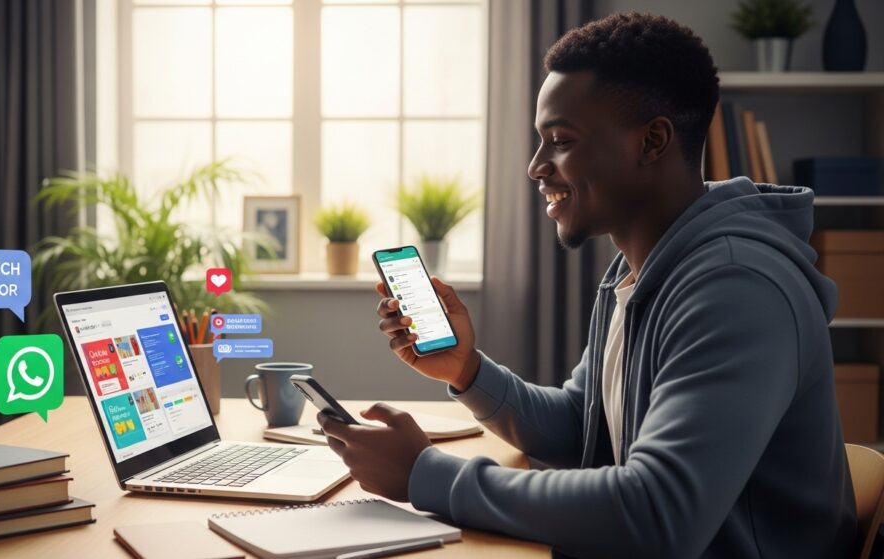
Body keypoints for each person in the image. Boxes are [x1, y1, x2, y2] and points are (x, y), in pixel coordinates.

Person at [317, 12, 857, 559]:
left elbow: (658, 513)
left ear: (652, 141)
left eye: (560, 140)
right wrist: (468, 370)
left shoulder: (736, 288)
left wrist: (424, 475)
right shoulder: (642, 269)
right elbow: (584, 425)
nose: (535, 167)